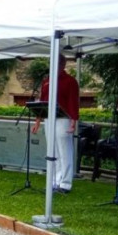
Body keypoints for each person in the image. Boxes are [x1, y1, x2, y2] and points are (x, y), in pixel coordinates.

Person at [32, 54, 79, 193]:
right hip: (49, 118)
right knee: (52, 150)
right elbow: (43, 100)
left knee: (64, 151)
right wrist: (38, 121)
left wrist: (73, 121)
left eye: (57, 63)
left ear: (63, 65)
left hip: (63, 119)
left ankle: (65, 183)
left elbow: (73, 102)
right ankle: (54, 181)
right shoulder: (47, 81)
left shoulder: (70, 81)